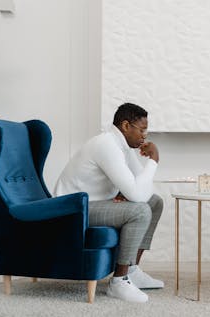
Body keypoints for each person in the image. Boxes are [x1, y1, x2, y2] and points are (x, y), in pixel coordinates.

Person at [54, 103, 164, 303]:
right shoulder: (107, 145)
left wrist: (129, 191)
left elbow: (145, 190)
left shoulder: (122, 146)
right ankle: (119, 282)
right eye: (142, 129)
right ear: (125, 126)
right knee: (139, 211)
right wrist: (154, 159)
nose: (145, 136)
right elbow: (138, 194)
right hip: (72, 209)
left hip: (93, 203)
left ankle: (131, 270)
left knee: (155, 203)